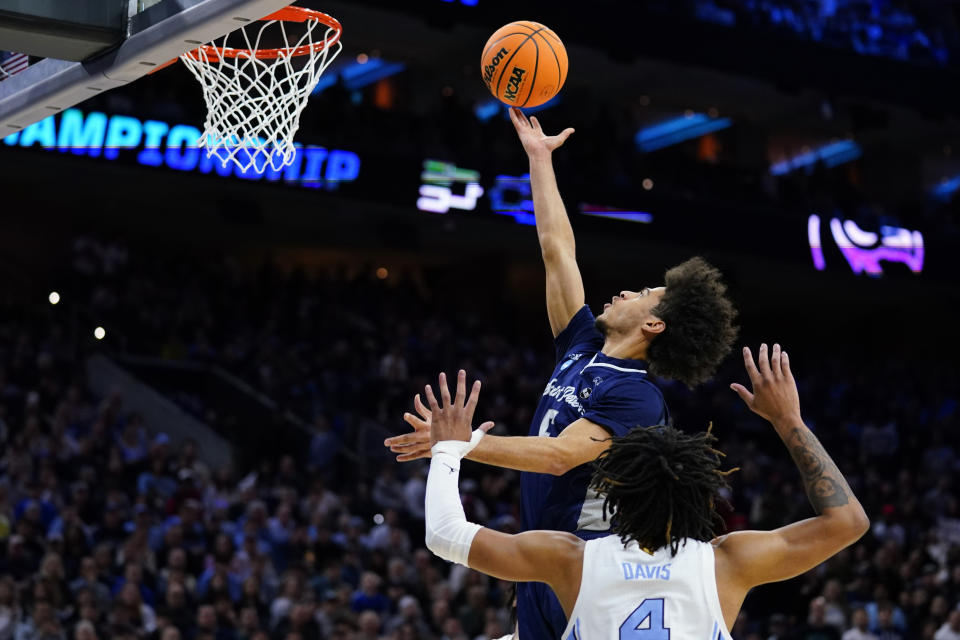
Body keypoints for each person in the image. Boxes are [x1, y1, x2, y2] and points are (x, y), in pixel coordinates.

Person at [386, 108, 737, 640]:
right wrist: (539, 160)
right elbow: (556, 250)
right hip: (544, 556)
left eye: (642, 293)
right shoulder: (583, 346)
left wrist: (462, 445)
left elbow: (558, 457)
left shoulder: (636, 398)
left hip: (588, 569)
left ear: (652, 322)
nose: (625, 290)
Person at [420, 344, 869, 639]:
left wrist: (449, 448)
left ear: (613, 496)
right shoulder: (729, 563)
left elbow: (443, 533)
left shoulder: (572, 559)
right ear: (702, 500)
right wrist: (789, 420)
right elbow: (848, 522)